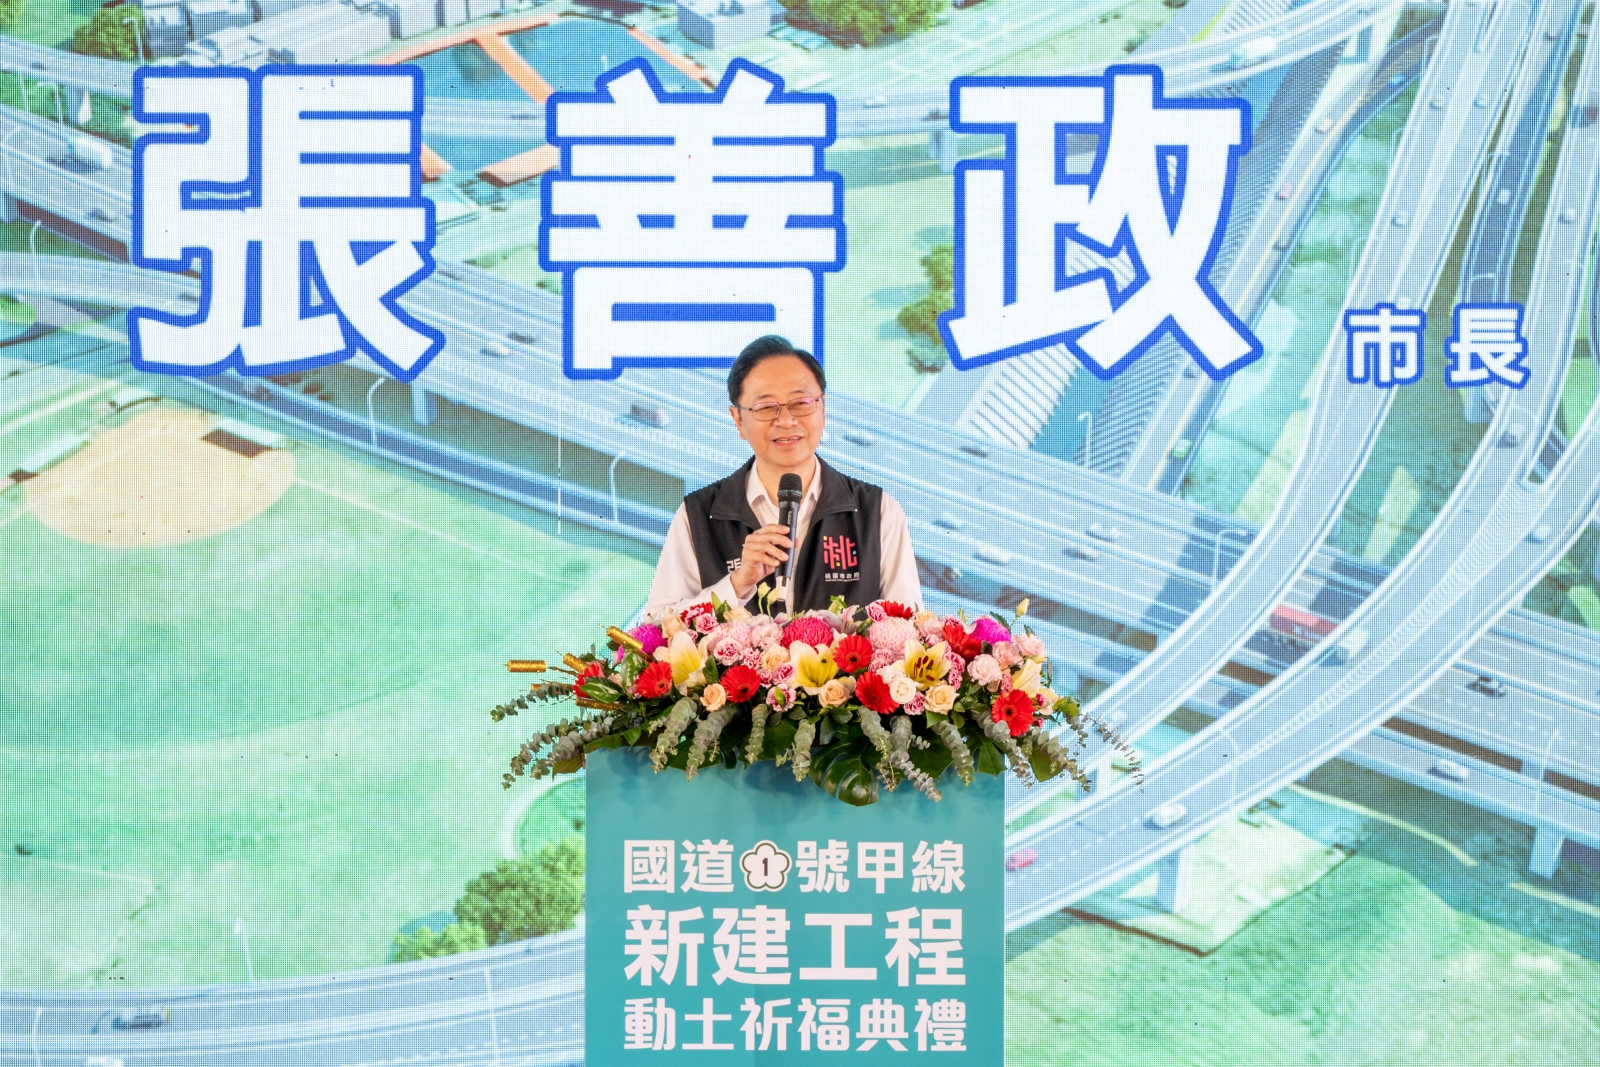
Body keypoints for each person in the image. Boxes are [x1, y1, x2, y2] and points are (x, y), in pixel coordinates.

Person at [645, 335, 921, 618]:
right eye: (766, 407)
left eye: (801, 403)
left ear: (823, 408)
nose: (787, 420)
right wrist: (736, 585)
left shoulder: (877, 512)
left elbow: (911, 628)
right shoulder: (699, 515)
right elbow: (655, 628)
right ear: (738, 419)